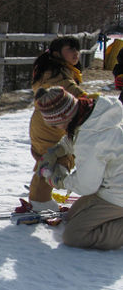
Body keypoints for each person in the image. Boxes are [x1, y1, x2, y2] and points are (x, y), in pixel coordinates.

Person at [34, 86, 123, 250]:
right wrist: (56, 150)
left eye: (57, 125)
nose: (59, 129)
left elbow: (86, 185)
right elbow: (76, 135)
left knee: (74, 235)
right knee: (71, 216)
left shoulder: (92, 141)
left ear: (64, 117)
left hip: (117, 195)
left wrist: (59, 181)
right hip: (112, 186)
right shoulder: (94, 113)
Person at [28, 36, 87, 211]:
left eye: (77, 50)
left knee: (51, 158)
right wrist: (93, 100)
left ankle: (40, 196)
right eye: (70, 49)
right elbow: (70, 90)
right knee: (55, 159)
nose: (76, 53)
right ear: (56, 53)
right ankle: (40, 199)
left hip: (51, 124)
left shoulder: (60, 69)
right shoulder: (55, 74)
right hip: (49, 126)